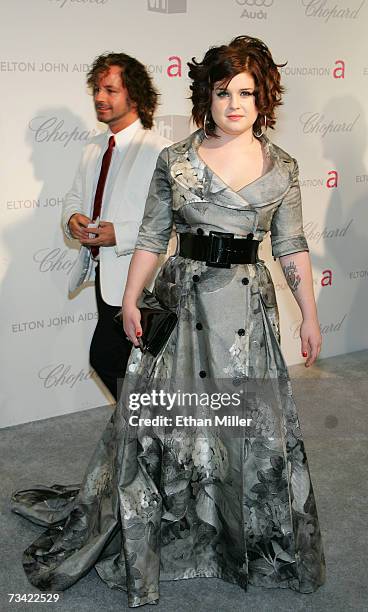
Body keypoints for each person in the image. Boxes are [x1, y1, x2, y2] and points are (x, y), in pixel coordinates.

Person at [11, 36, 326, 606]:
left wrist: (310, 314)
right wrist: (131, 301)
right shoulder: (176, 159)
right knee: (167, 423)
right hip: (184, 305)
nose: (235, 103)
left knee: (248, 428)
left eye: (248, 93)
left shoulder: (283, 168)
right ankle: (178, 520)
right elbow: (153, 237)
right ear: (206, 94)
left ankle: (235, 537)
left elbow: (292, 246)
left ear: (265, 99)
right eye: (224, 91)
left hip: (248, 313)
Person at [63, 52, 171, 400]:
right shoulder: (94, 147)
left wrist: (119, 233)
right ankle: (142, 433)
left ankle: (143, 428)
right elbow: (74, 198)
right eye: (96, 89)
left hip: (138, 275)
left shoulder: (160, 151)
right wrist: (72, 219)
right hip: (101, 272)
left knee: (109, 357)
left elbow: (170, 222)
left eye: (110, 89)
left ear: (135, 95)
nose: (99, 97)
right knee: (127, 361)